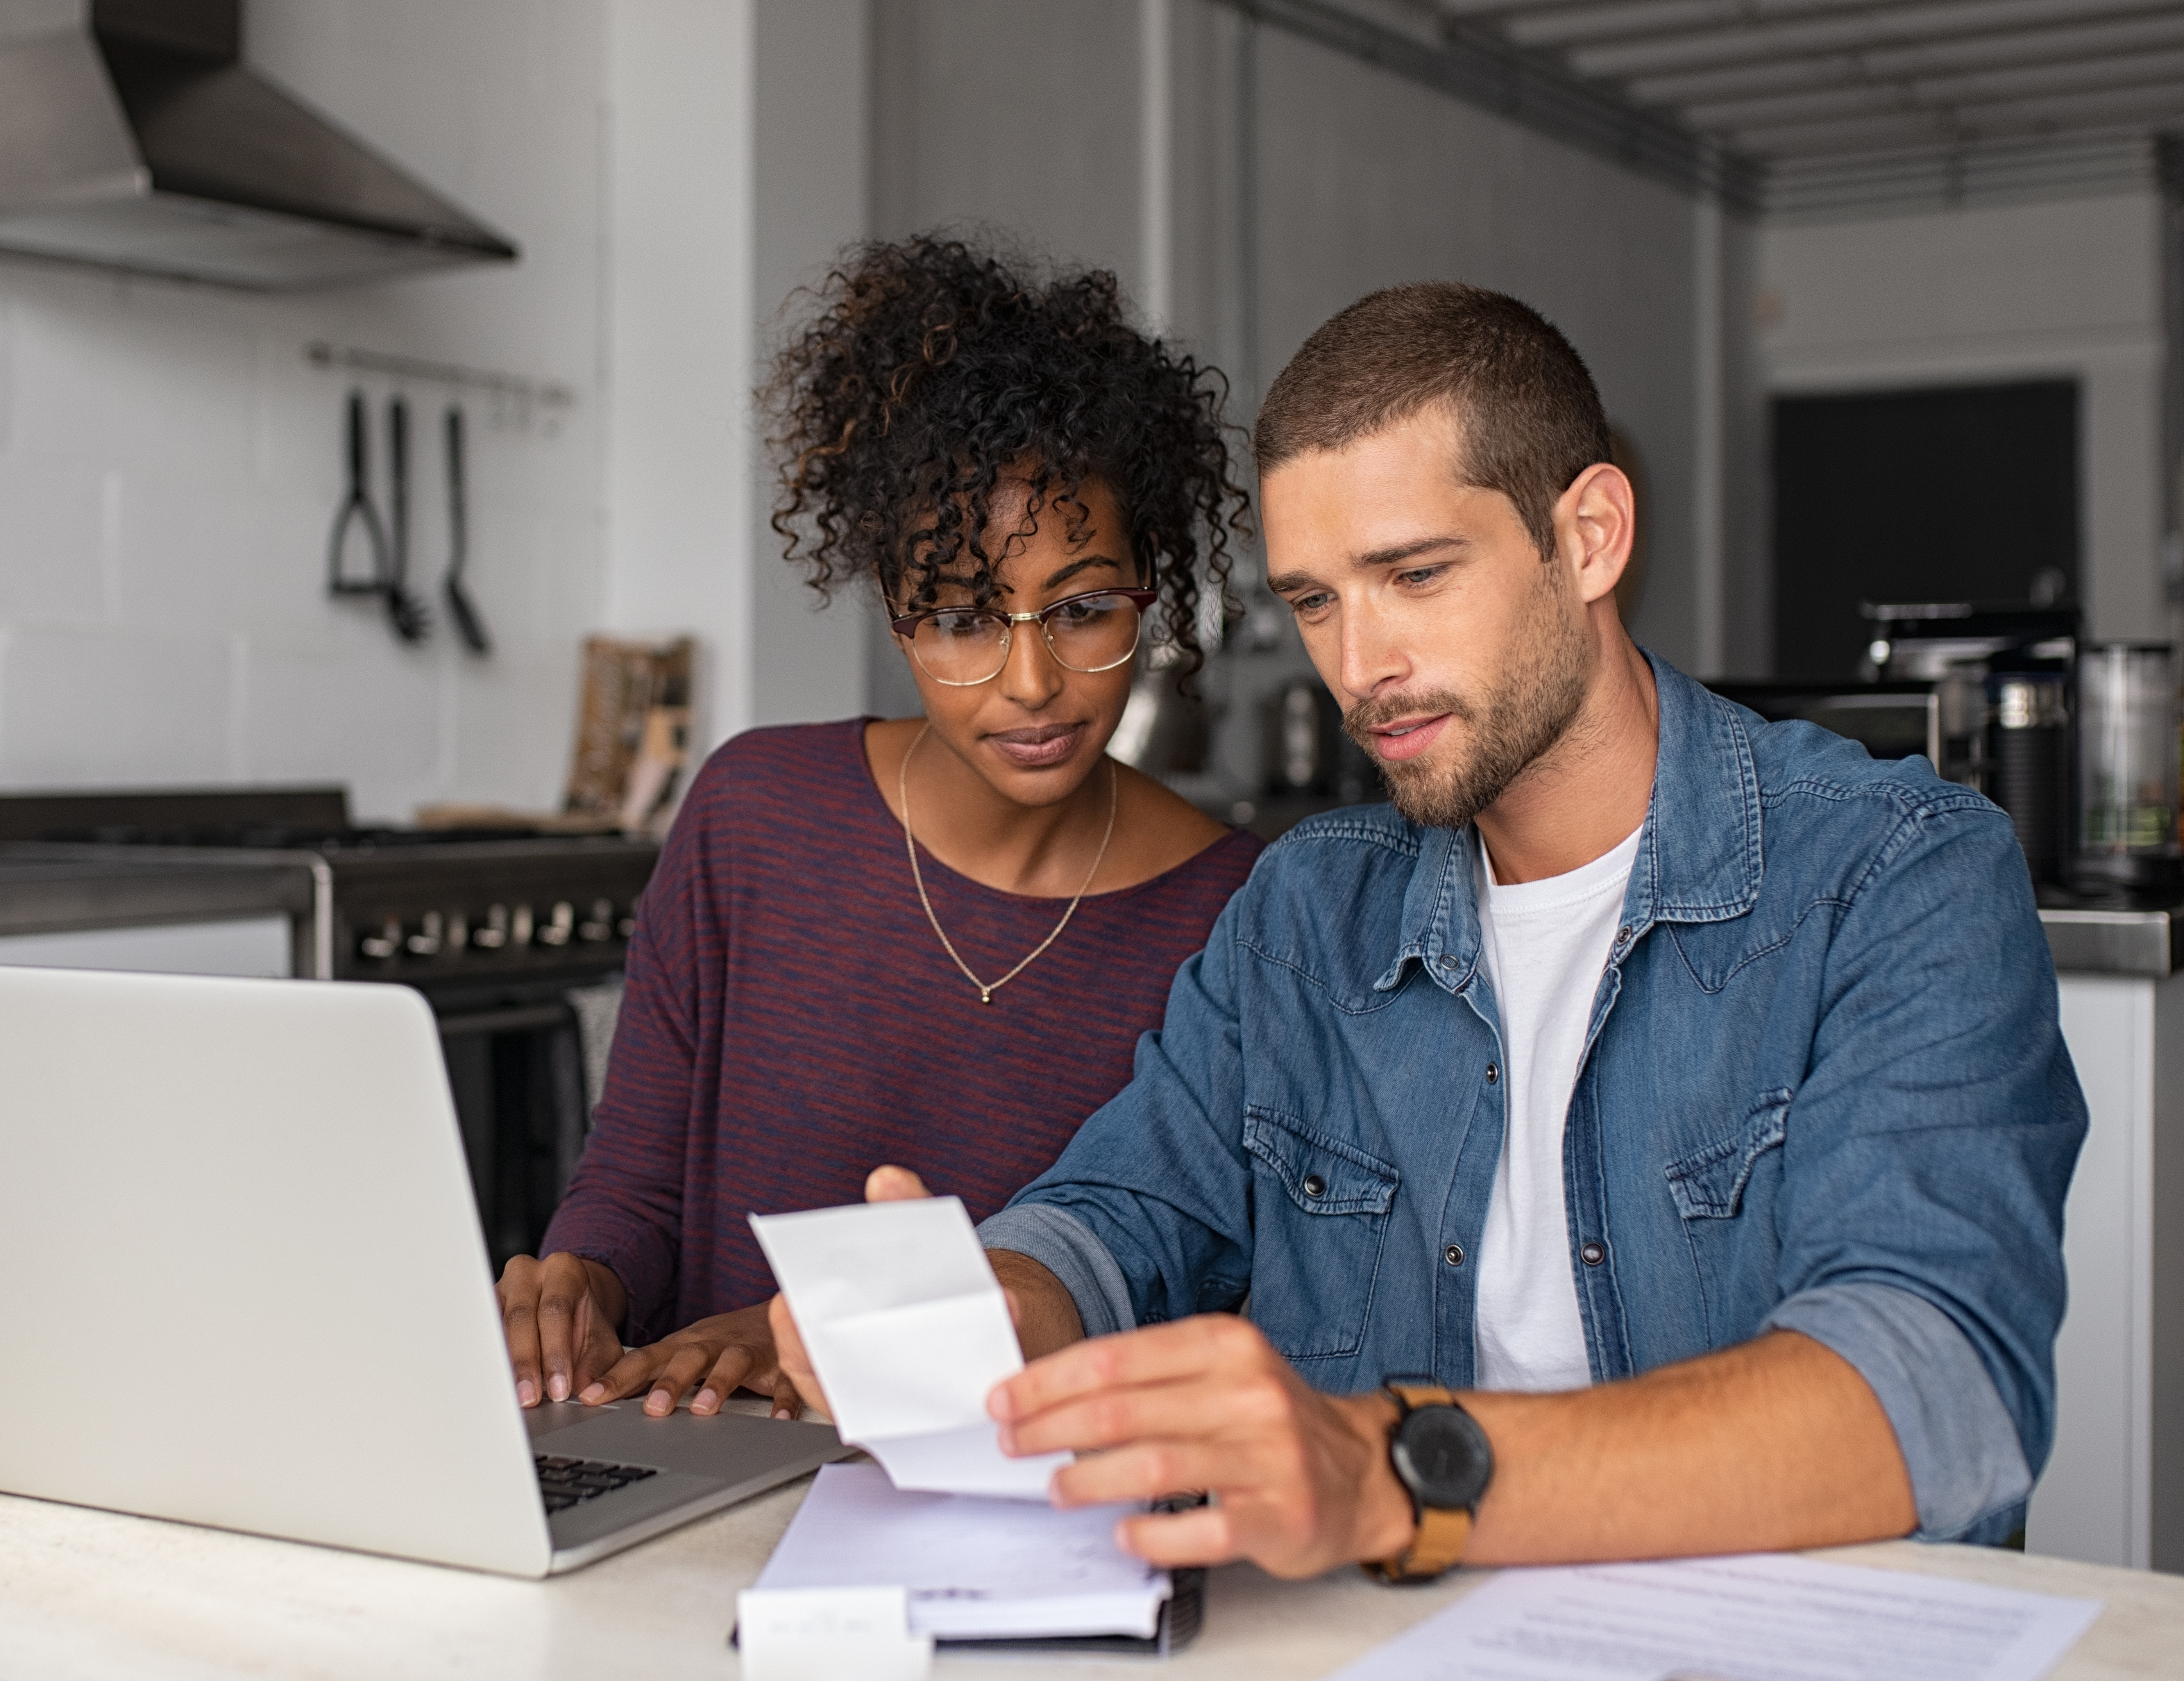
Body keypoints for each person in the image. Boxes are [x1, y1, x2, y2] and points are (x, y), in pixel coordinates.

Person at [775, 280, 2086, 1579]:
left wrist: (1397, 1473)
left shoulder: (1893, 873)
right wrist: (990, 1305)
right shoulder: (1305, 913)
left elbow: (1938, 1391)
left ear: (1588, 537)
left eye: (1412, 576)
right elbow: (1122, 1211)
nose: (1359, 665)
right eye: (1316, 601)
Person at [499, 237, 1265, 1422]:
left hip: (1015, 1516)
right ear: (897, 621)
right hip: (697, 1472)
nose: (1029, 681)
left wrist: (805, 1337)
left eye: (1084, 609)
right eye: (960, 618)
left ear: (1149, 597)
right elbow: (638, 1187)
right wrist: (580, 1286)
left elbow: (1182, 1289)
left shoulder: (1234, 915)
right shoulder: (752, 816)